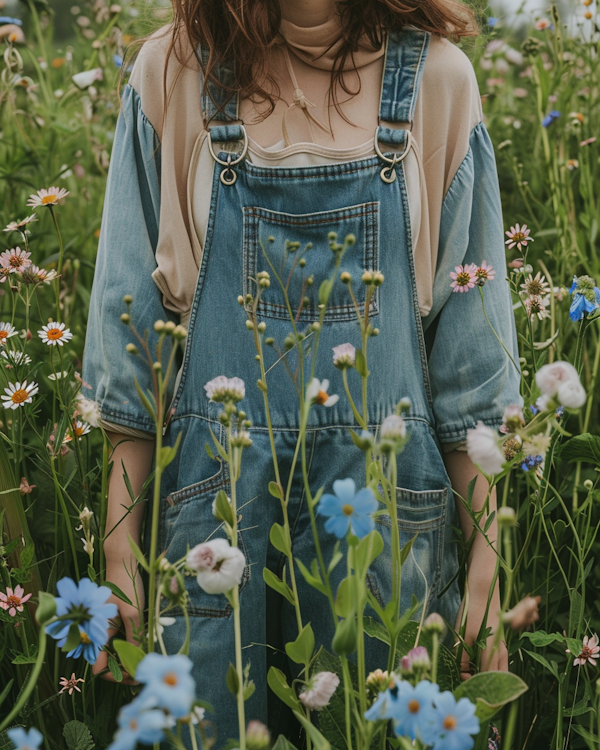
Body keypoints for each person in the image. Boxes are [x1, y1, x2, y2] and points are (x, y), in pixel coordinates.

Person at [85, 0, 521, 740]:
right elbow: (131, 350)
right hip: (213, 520)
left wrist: (487, 572)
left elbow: (472, 378)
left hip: (384, 532)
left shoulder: (438, 83)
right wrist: (119, 544)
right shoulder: (173, 72)